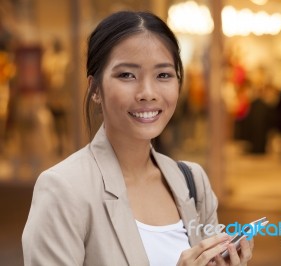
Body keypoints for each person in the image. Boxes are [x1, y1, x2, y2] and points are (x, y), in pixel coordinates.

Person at [22, 11, 254, 266]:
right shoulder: (63, 189)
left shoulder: (192, 182)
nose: (147, 93)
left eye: (163, 75)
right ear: (95, 89)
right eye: (127, 75)